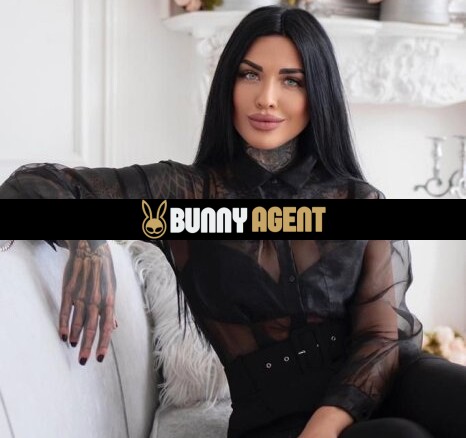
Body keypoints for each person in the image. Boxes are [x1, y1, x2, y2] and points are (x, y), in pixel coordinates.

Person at [1, 6, 465, 438]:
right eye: (250, 75)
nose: (266, 99)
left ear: (318, 94)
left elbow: (380, 338)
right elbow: (31, 185)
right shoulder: (185, 193)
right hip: (276, 414)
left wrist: (325, 426)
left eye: (291, 81)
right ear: (228, 84)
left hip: (379, 383)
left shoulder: (357, 199)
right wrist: (88, 238)